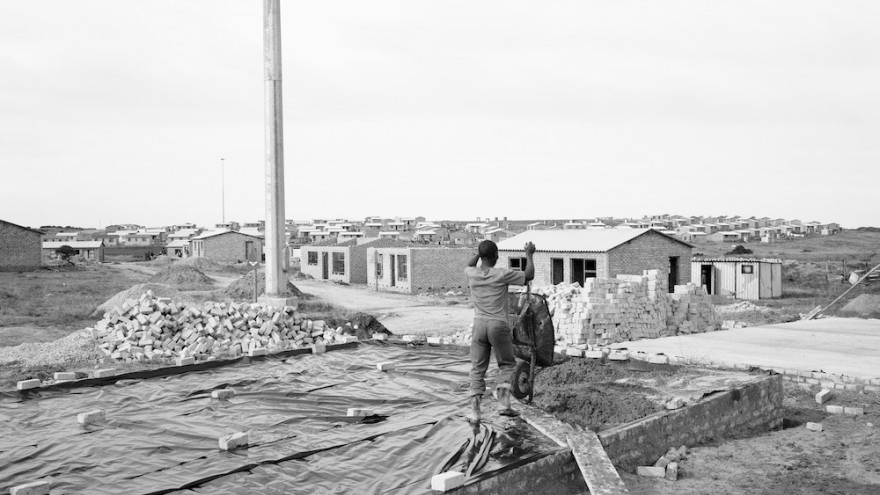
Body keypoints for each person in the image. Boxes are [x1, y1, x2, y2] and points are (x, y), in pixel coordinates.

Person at [464, 239, 535, 422]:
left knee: (478, 368)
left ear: (481, 257)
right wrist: (529, 254)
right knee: (507, 365)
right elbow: (528, 275)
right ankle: (504, 405)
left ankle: (474, 412)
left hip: (479, 325)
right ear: (496, 257)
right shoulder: (501, 274)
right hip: (497, 325)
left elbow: (470, 263)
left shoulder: (471, 273)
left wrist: (481, 252)